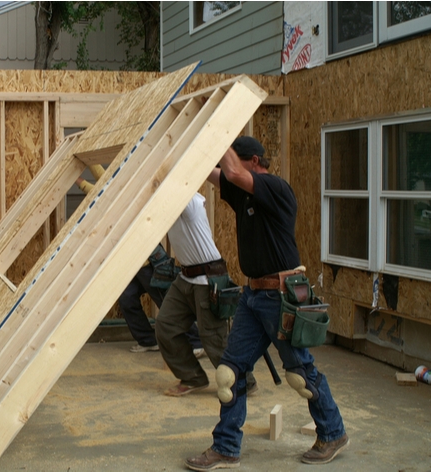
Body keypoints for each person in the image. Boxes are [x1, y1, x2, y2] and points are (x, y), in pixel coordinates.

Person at [185, 136, 348, 470]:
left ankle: (333, 433)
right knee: (230, 373)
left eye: (238, 165)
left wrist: (219, 131)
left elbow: (230, 171)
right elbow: (217, 174)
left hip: (281, 295)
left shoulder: (275, 187)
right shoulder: (242, 191)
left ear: (255, 162)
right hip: (253, 296)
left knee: (300, 373)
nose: (230, 172)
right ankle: (226, 447)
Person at [76, 172, 205, 354]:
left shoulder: (125, 198)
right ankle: (147, 340)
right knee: (127, 299)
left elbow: (96, 187)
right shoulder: (114, 196)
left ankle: (196, 341)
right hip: (133, 265)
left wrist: (78, 179)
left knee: (167, 302)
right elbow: (100, 180)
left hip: (149, 263)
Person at [155, 193, 257, 396]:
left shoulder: (189, 201)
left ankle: (242, 380)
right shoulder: (163, 203)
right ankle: (193, 377)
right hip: (185, 277)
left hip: (207, 278)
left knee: (213, 337)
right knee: (165, 326)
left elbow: (174, 181)